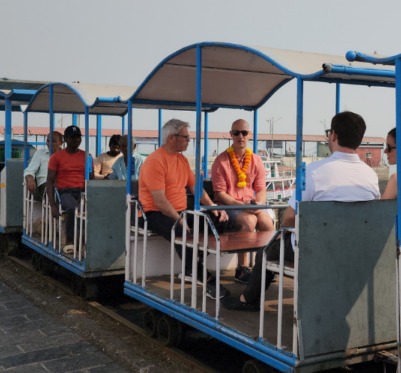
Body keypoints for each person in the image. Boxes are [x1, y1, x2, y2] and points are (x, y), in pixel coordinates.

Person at [226, 111, 381, 311]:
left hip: (315, 248)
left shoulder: (313, 171)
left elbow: (289, 217)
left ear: (333, 135)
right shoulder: (371, 176)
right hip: (354, 247)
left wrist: (283, 234)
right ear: (359, 139)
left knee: (266, 252)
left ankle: (248, 301)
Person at [138, 119, 230, 300]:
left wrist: (213, 208)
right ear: (172, 138)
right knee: (181, 232)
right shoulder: (155, 161)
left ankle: (191, 267)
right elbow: (160, 201)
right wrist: (179, 220)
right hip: (155, 213)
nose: (189, 140)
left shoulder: (181, 159)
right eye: (186, 137)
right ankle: (207, 279)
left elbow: (196, 188)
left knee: (221, 221)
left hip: (181, 211)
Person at [211, 119, 273, 283]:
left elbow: (261, 190)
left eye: (244, 133)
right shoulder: (221, 161)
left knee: (267, 222)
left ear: (249, 135)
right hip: (229, 206)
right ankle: (241, 269)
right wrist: (243, 206)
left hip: (250, 205)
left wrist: (258, 205)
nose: (240, 136)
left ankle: (265, 266)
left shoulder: (256, 160)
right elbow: (221, 194)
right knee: (249, 221)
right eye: (236, 133)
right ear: (231, 134)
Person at [45, 126, 91, 254]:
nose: (76, 140)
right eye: (72, 137)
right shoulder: (56, 157)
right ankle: (69, 240)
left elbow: (91, 178)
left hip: (84, 191)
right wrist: (53, 205)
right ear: (65, 139)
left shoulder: (87, 156)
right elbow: (50, 181)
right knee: (71, 209)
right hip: (66, 191)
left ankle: (90, 240)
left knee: (97, 209)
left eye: (78, 137)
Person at [25, 131, 63, 203]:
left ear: (61, 142)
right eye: (48, 141)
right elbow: (29, 170)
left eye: (53, 141)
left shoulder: (65, 155)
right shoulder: (40, 154)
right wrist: (30, 178)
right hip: (46, 184)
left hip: (63, 184)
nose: (49, 144)